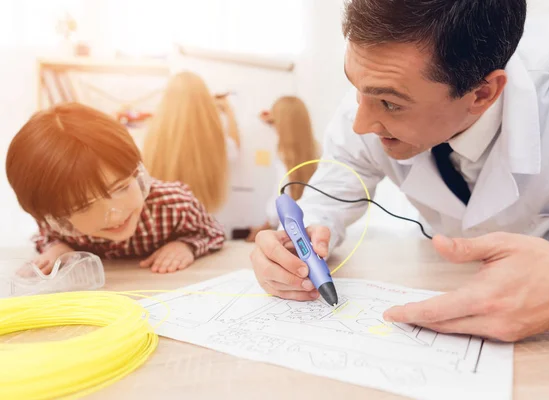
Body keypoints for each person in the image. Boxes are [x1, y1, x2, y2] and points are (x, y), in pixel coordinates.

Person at [250, 0, 549, 341]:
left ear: (482, 93)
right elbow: (325, 204)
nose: (360, 124)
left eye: (390, 103)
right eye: (355, 87)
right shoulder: (376, 91)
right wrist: (290, 248)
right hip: (450, 279)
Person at [6, 102, 225, 274]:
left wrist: (186, 245)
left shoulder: (174, 204)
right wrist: (58, 247)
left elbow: (212, 232)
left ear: (137, 172)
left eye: (120, 188)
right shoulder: (56, 219)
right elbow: (45, 236)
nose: (114, 215)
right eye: (83, 207)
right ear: (56, 217)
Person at [142, 70, 240, 215]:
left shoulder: (150, 139)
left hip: (159, 221)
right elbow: (235, 147)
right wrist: (228, 109)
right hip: (203, 223)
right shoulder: (216, 143)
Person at [245, 96, 320, 242]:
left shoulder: (284, 155)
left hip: (284, 229)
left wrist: (266, 226)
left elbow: (280, 196)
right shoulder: (316, 150)